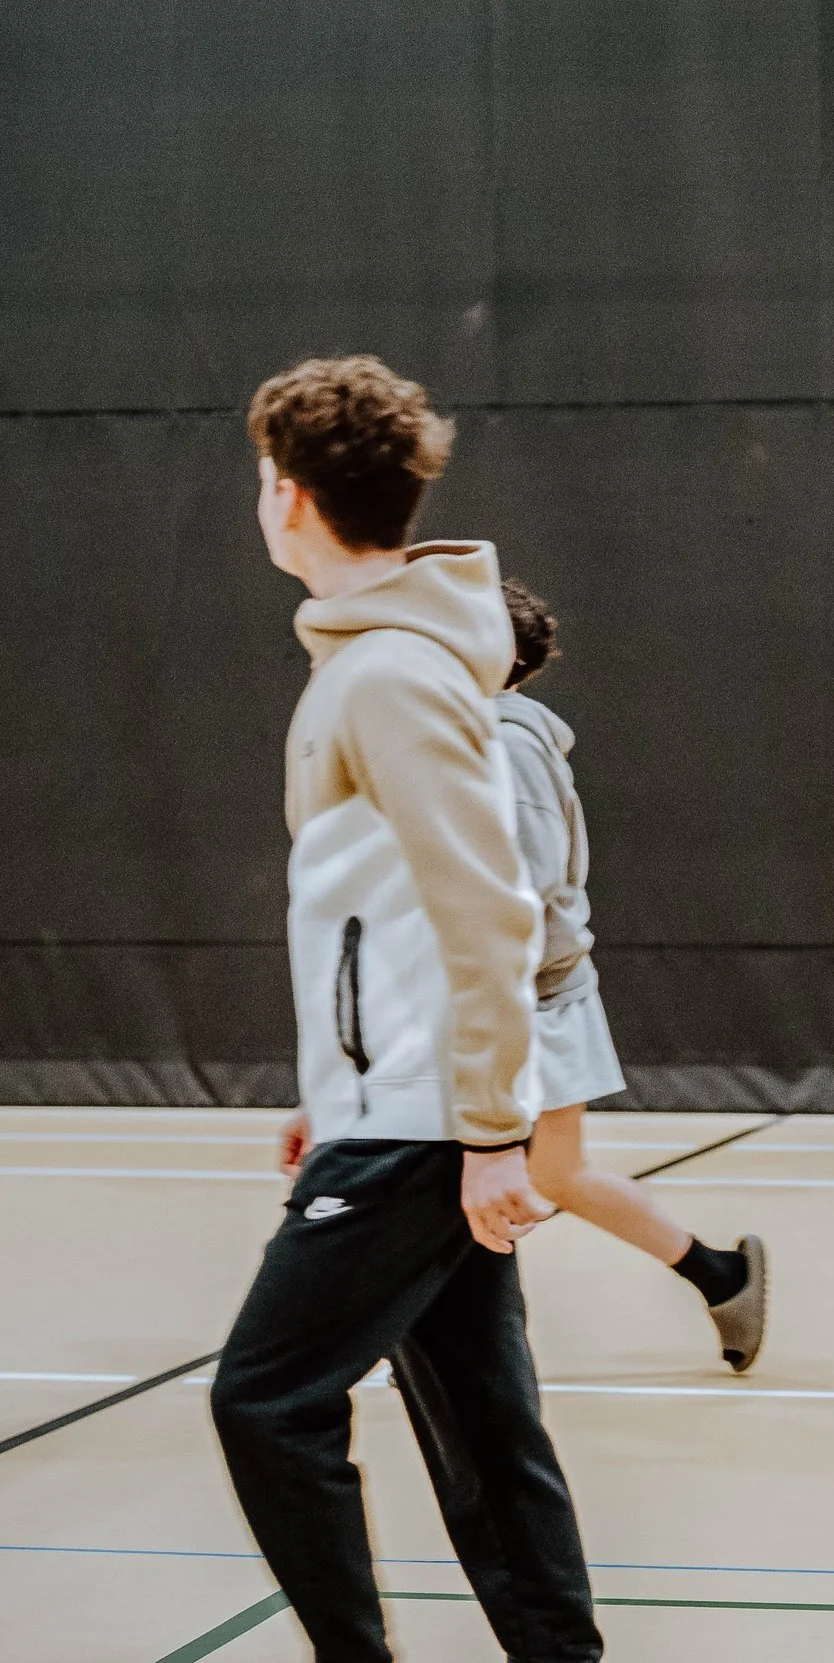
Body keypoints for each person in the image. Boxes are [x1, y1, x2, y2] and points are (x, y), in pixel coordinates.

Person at [210, 356, 603, 1662]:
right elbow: (378, 911)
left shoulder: (390, 673)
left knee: (267, 1397)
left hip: (433, 1116)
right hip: (407, 1100)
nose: (263, 500)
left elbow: (485, 907)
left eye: (270, 478)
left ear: (301, 498)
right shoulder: (394, 659)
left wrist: (490, 1125)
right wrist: (334, 1084)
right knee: (484, 1416)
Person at [497, 576, 769, 1370]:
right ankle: (720, 1275)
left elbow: (531, 889)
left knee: (487, 1175)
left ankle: (462, 1349)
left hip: (531, 996)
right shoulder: (488, 734)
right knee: (555, 1173)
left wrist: (502, 995)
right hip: (536, 992)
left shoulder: (507, 743)